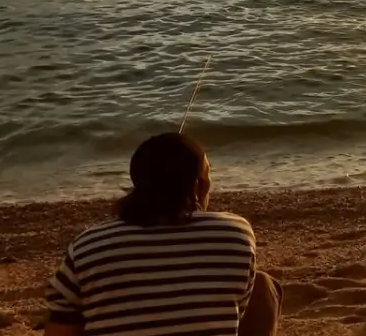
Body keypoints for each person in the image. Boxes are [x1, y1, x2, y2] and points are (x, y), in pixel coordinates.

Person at [42, 133, 282, 336]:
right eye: (207, 177)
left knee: (78, 306)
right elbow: (236, 310)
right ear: (197, 186)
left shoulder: (87, 246)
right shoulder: (235, 233)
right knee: (262, 284)